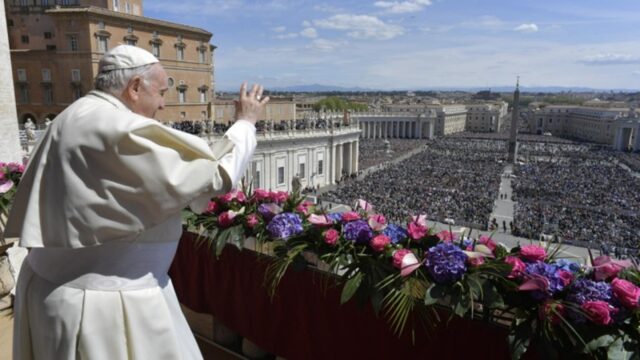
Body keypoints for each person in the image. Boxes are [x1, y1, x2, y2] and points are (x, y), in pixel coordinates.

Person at [5, 45, 269, 359]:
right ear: (134, 87)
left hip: (54, 290)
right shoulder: (117, 127)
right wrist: (245, 125)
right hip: (104, 306)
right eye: (160, 92)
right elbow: (214, 176)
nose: (163, 103)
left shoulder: (74, 115)